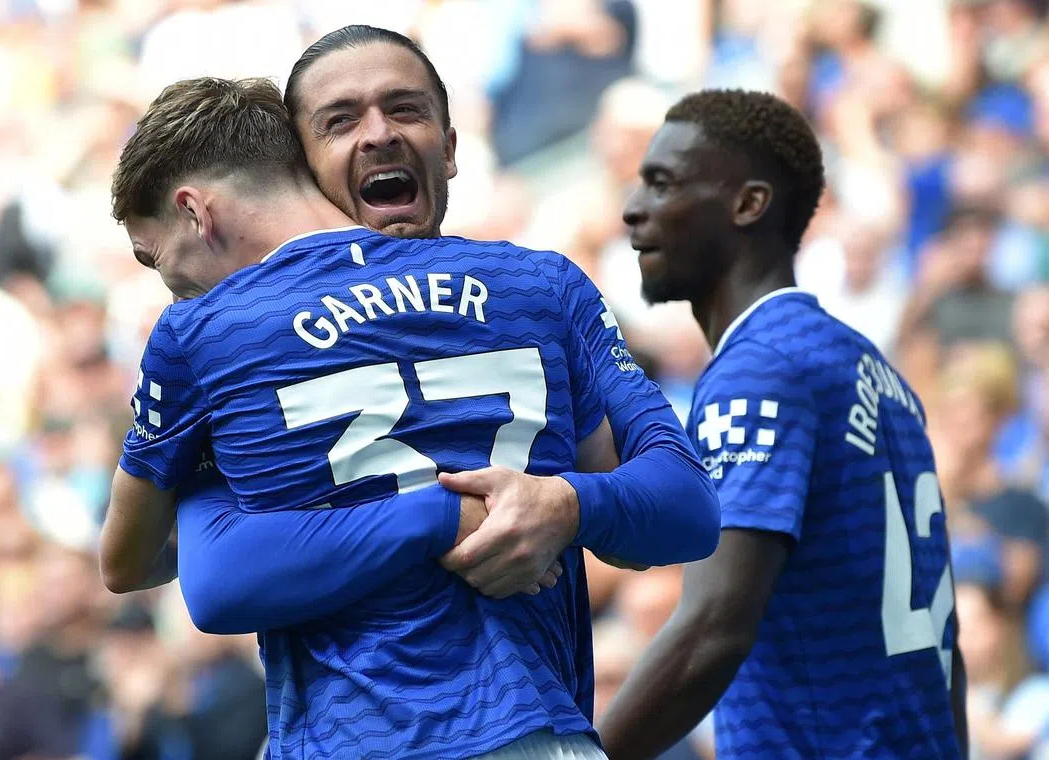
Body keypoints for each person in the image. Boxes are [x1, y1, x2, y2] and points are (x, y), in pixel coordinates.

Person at [104, 24, 718, 740]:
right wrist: (503, 509)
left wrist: (561, 505)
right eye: (342, 120)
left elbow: (190, 579)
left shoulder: (206, 333)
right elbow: (676, 510)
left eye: (406, 110)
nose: (380, 136)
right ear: (304, 164)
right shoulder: (539, 283)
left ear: (452, 147)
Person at [596, 88, 968, 759]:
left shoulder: (761, 368)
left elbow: (715, 625)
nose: (633, 208)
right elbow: (947, 657)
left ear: (748, 204)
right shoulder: (875, 373)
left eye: (663, 183)